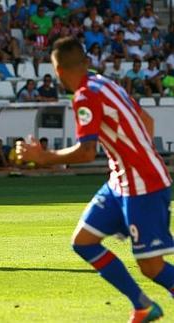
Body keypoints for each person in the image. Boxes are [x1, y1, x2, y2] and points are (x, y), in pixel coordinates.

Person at [16, 37, 172, 322]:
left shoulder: (85, 96)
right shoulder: (105, 83)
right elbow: (146, 120)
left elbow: (87, 152)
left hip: (143, 184)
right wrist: (130, 153)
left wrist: (44, 157)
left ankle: (144, 305)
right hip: (122, 180)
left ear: (59, 72)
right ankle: (143, 306)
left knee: (151, 266)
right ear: (85, 62)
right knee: (83, 241)